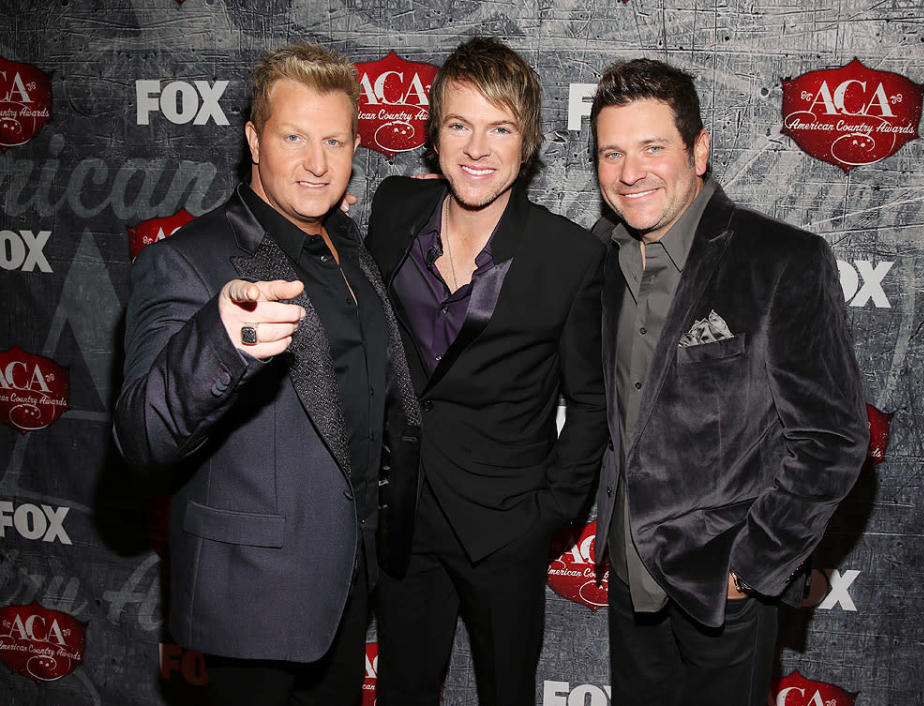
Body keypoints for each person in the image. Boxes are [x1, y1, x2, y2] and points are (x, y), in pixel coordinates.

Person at [113, 44, 420, 706]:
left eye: (334, 140)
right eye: (294, 137)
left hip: (343, 585)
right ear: (254, 138)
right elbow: (139, 435)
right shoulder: (189, 262)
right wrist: (219, 344)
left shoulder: (346, 243)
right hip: (252, 605)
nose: (317, 162)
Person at [589, 58, 869, 706]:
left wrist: (752, 563)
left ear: (700, 150)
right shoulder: (602, 254)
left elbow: (833, 436)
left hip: (722, 583)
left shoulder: (779, 260)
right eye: (612, 153)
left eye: (653, 147)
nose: (631, 173)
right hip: (630, 581)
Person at [365, 36, 608, 706]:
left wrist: (548, 515)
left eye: (499, 129)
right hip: (404, 517)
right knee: (401, 693)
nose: (477, 150)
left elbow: (591, 403)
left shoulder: (571, 257)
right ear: (433, 137)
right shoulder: (391, 211)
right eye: (459, 126)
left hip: (505, 529)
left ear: (526, 143)